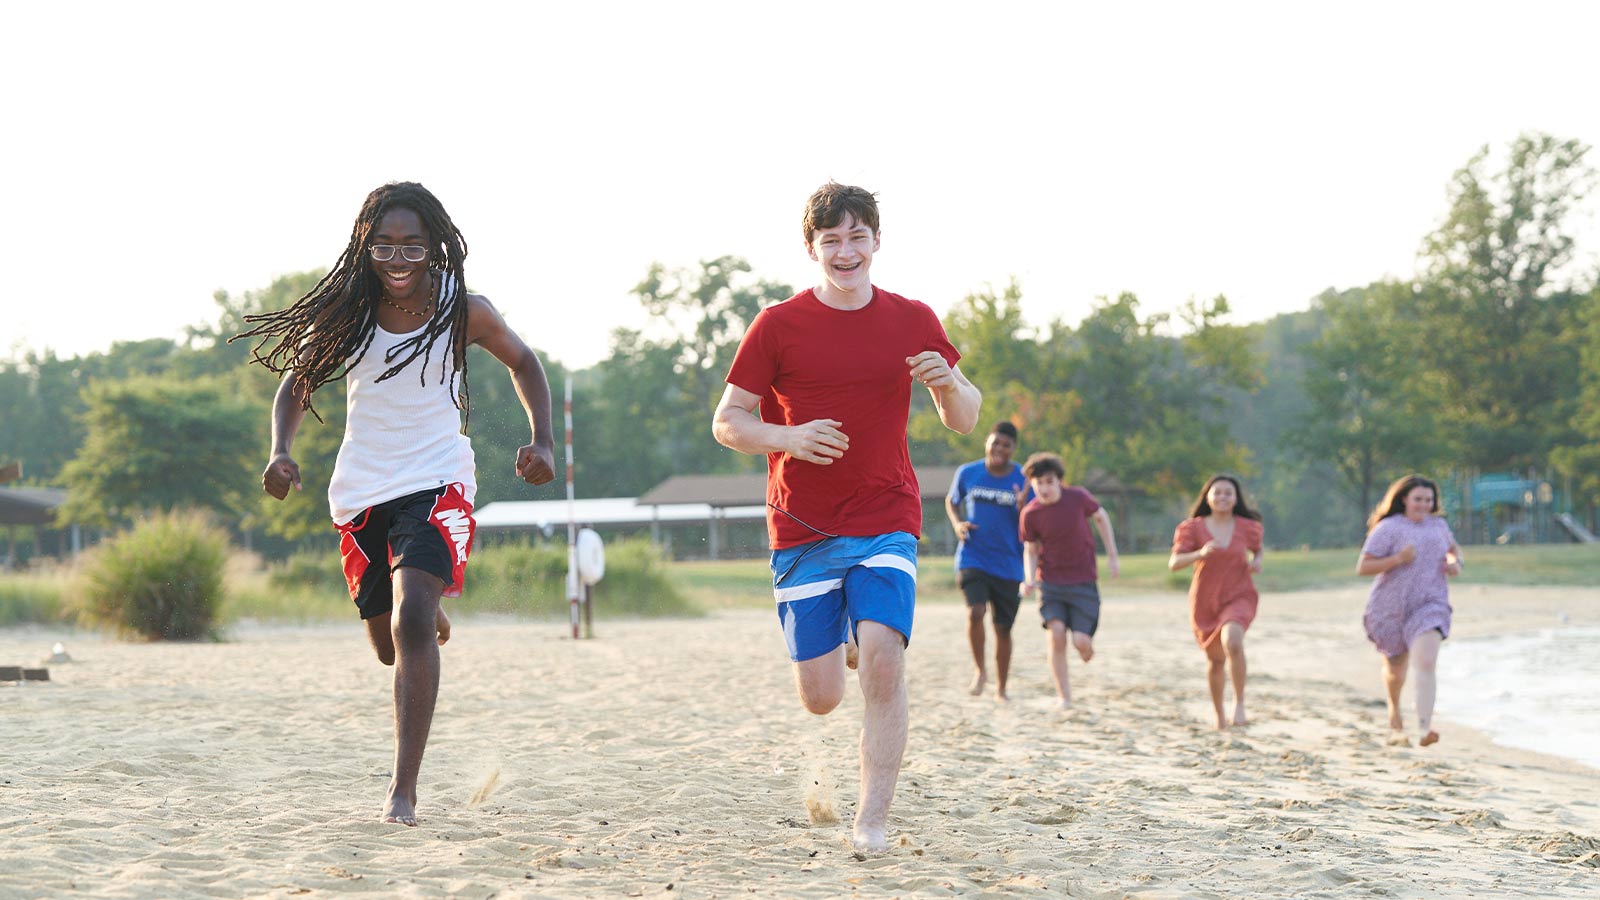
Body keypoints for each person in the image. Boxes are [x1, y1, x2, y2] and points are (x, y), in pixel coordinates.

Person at [232, 182, 557, 825]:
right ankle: (425, 610)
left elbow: (525, 363)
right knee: (388, 644)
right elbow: (298, 385)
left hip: (438, 478)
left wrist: (541, 439)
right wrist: (280, 450)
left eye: (412, 244)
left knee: (410, 621)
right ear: (365, 246)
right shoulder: (348, 315)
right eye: (384, 244)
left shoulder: (463, 312)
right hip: (362, 488)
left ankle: (402, 792)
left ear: (435, 247)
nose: (398, 256)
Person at [712, 182, 981, 851]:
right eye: (831, 239)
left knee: (886, 663)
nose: (846, 250)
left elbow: (965, 417)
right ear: (812, 249)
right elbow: (728, 422)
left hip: (886, 514)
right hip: (802, 527)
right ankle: (850, 639)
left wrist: (947, 383)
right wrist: (788, 438)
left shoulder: (913, 319)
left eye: (857, 236)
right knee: (822, 697)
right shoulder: (778, 325)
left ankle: (872, 823)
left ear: (877, 242)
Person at [1357, 474, 1463, 747]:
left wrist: (1454, 563)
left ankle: (1425, 728)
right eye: (1418, 499)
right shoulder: (1388, 528)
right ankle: (1394, 707)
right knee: (1395, 667)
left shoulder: (1439, 526)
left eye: (1429, 500)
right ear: (1404, 498)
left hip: (1430, 603)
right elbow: (1363, 567)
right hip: (1390, 607)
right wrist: (1398, 559)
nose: (1424, 505)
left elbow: (1454, 551)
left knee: (1426, 662)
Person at [1018, 452, 1119, 708]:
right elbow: (1030, 550)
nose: (1044, 488)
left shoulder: (1078, 498)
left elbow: (1101, 517)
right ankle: (1064, 696)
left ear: (1059, 481)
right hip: (1050, 583)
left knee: (1081, 643)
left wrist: (1112, 555)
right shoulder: (1030, 514)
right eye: (1038, 483)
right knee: (1057, 634)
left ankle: (1087, 647)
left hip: (1083, 581)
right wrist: (1029, 579)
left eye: (1049, 482)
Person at [1168, 474, 1265, 730]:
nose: (1222, 497)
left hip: (1239, 594)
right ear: (1207, 497)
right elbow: (1174, 563)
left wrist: (1257, 560)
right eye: (1217, 492)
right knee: (1215, 661)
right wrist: (1200, 553)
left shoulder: (1247, 526)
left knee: (1233, 640)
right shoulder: (1192, 527)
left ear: (1236, 499)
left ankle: (1240, 703)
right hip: (1205, 600)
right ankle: (1220, 715)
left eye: (1228, 493)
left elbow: (1257, 548)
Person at [945, 421, 1027, 701]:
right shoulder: (968, 472)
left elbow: (1033, 520)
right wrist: (958, 525)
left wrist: (1022, 508)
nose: (1000, 449)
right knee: (975, 612)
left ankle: (1002, 689)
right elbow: (951, 501)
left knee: (1003, 628)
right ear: (987, 443)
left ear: (1013, 449)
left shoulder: (1022, 479)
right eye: (996, 443)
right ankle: (980, 671)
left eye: (1006, 445)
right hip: (973, 556)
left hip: (1009, 563)